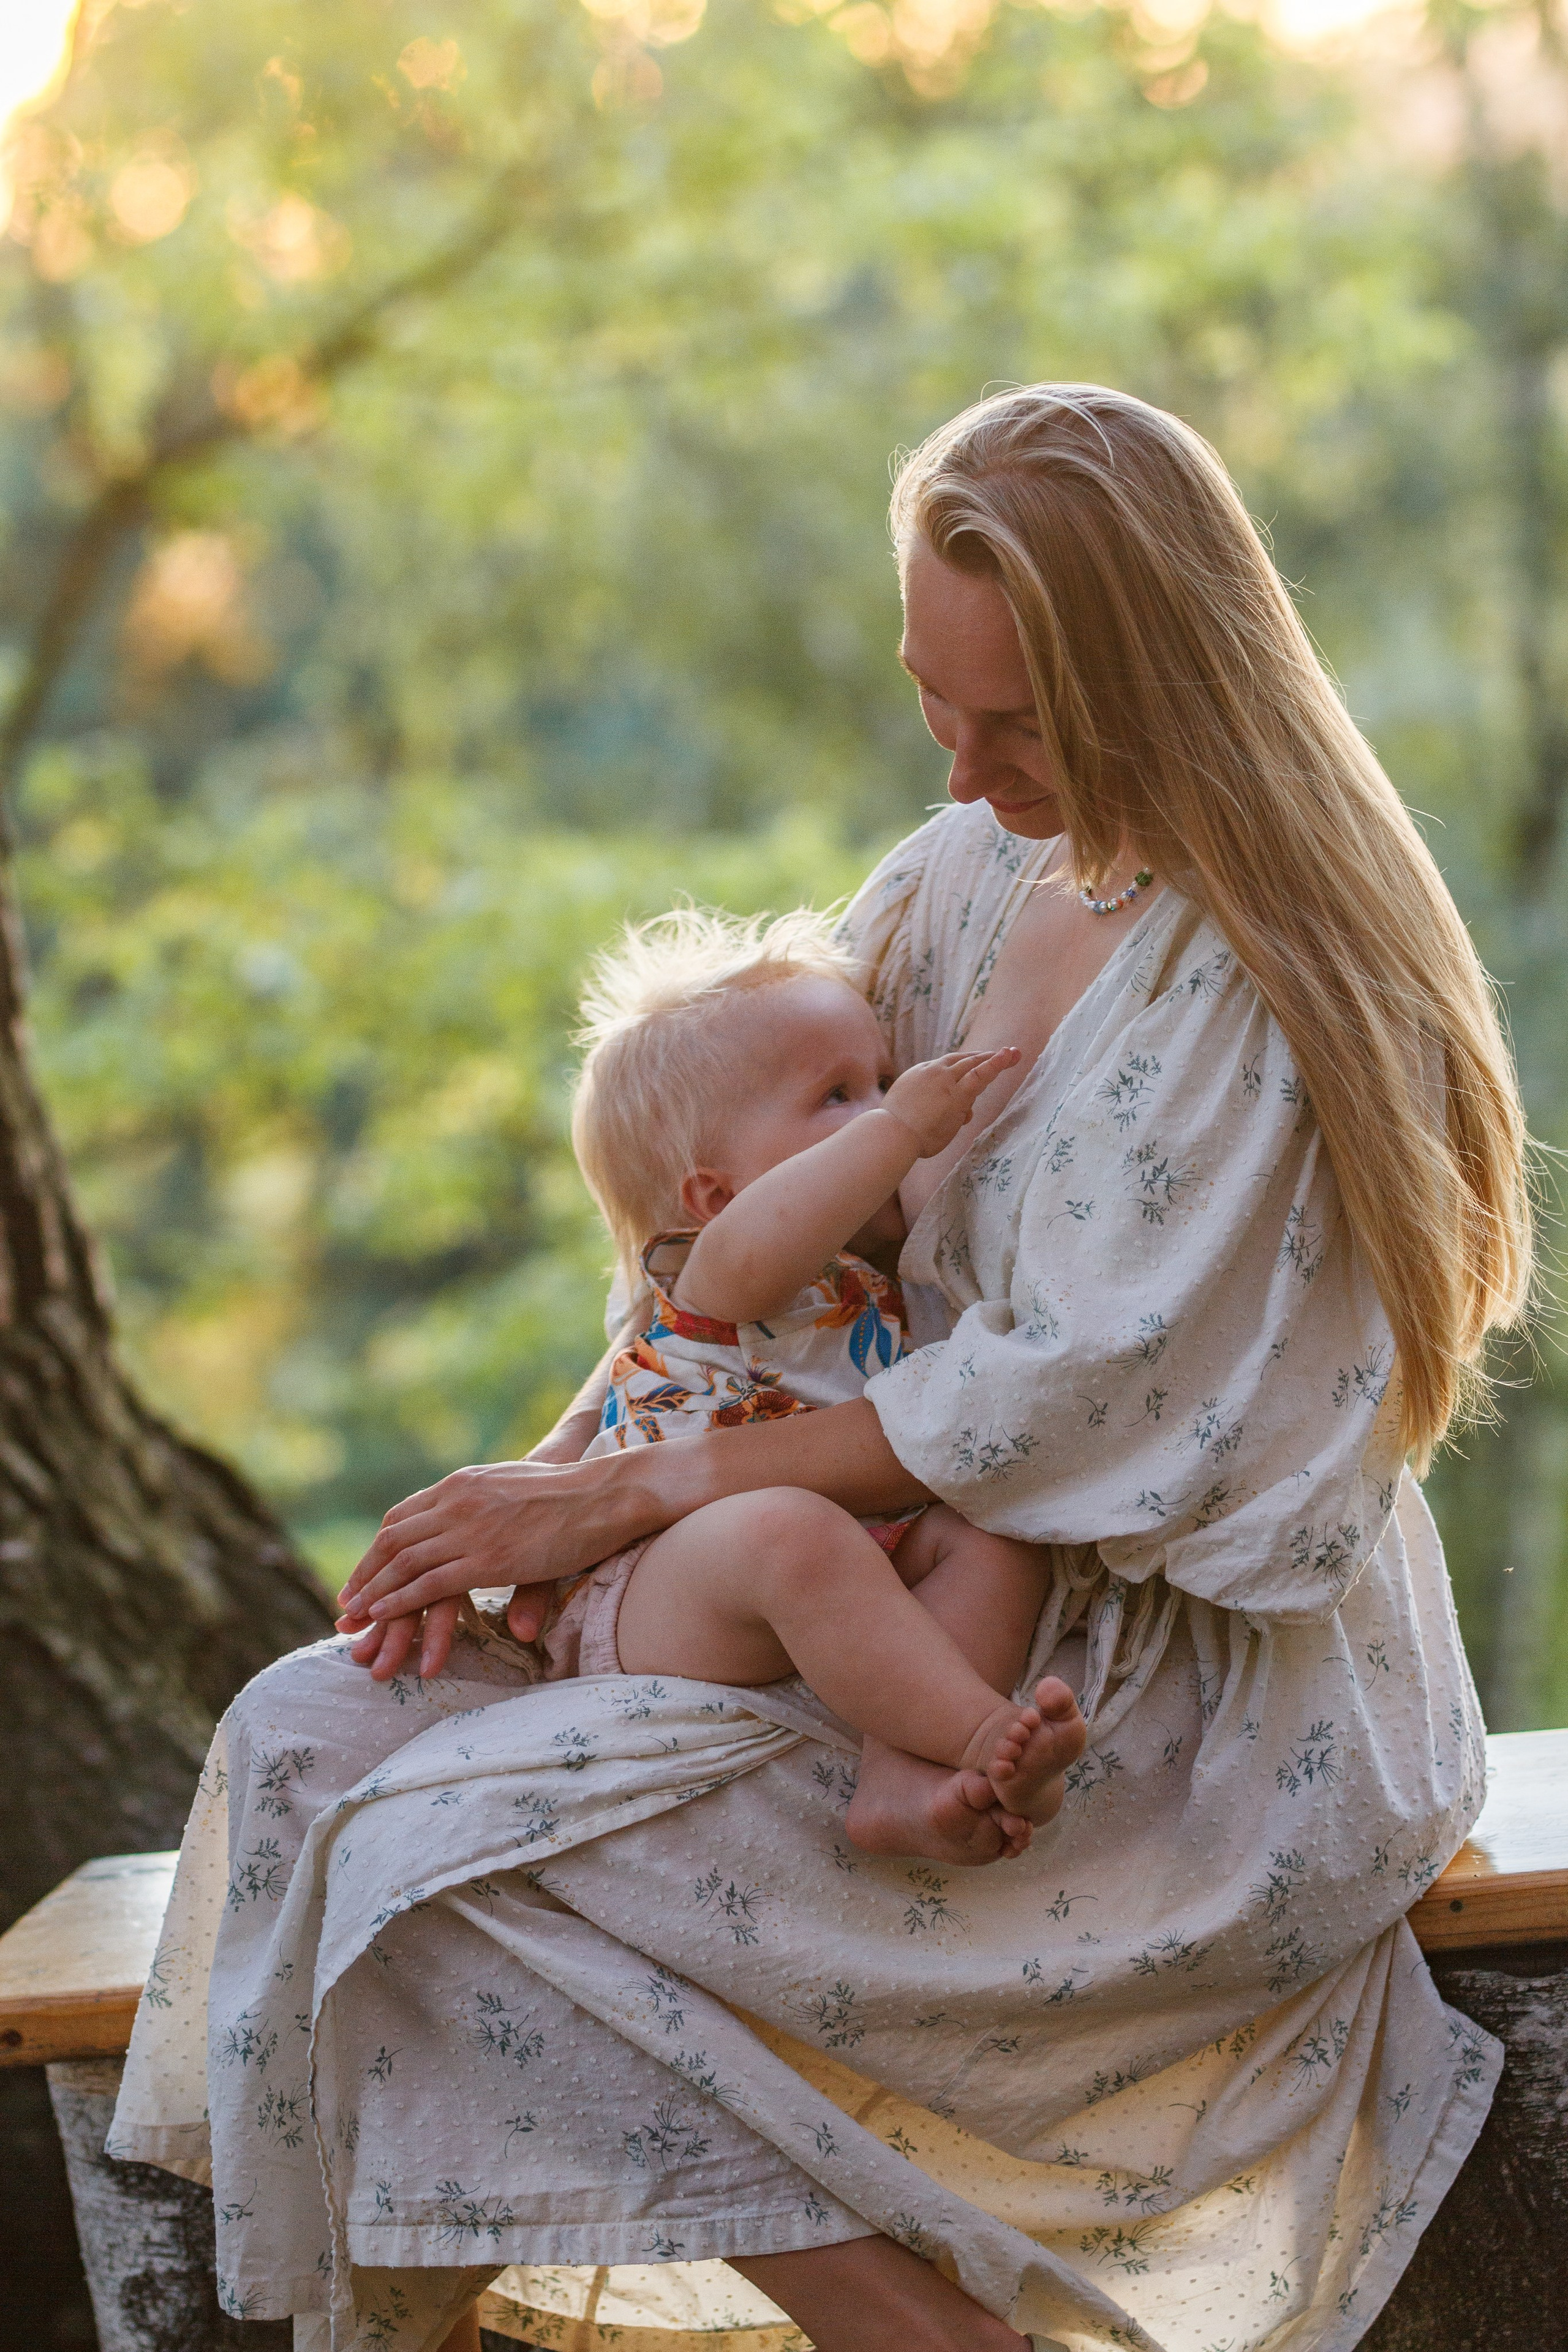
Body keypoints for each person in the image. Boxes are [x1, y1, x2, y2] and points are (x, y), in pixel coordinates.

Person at [110, 383, 1530, 2352]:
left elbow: (1067, 1406)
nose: (962, 758)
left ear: (1158, 678)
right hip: (855, 1577)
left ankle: (911, 2335)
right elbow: (733, 1243)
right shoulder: (964, 870)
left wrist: (634, 1498)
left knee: (441, 1860)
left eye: (1019, 720)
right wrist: (558, 1500)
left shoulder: (1257, 973)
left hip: (1131, 1684)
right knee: (310, 1737)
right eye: (936, 701)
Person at [343, 906, 1085, 1858]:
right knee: (790, 1529)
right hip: (656, 1584)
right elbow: (762, 1253)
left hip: (830, 1565)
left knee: (994, 1535)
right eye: (835, 1096)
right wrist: (901, 1128)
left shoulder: (857, 1279)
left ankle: (906, 1777)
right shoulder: (716, 1269)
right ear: (714, 1198)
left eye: (883, 1081)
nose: (879, 1110)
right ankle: (977, 1734)